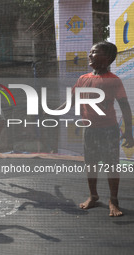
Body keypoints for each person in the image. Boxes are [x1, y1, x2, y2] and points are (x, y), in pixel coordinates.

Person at [57, 41, 134, 217]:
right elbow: (71, 101)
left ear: (106, 58)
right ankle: (93, 196)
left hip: (109, 130)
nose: (89, 55)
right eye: (90, 52)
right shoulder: (83, 79)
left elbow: (125, 107)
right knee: (90, 164)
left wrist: (128, 132)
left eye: (94, 52)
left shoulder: (113, 81)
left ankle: (113, 200)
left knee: (111, 165)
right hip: (90, 130)